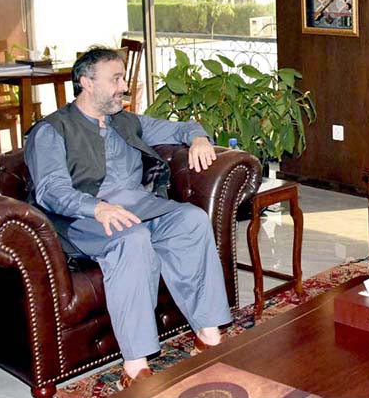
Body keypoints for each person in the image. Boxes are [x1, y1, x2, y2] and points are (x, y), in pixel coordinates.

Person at [24, 47, 231, 389]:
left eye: (123, 77)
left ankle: (208, 335)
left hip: (140, 207)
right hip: (84, 218)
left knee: (190, 220)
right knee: (132, 239)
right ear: (86, 83)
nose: (124, 86)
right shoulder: (53, 130)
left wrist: (197, 138)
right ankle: (135, 367)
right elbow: (50, 190)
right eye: (115, 79)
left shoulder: (125, 121)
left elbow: (181, 127)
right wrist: (98, 208)